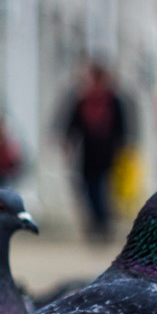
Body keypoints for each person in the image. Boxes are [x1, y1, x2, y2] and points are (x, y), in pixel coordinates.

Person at [62, 61, 128, 241]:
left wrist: (122, 146)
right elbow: (72, 123)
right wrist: (68, 142)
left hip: (107, 153)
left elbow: (122, 126)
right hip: (87, 153)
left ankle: (102, 223)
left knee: (104, 188)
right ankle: (95, 222)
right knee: (87, 187)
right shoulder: (82, 100)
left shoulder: (113, 100)